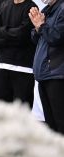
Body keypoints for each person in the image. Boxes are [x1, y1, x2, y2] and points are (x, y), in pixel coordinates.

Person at [0, 0, 37, 105]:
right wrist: (12, 35)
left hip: (23, 68)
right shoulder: (4, 6)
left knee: (21, 113)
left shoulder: (31, 7)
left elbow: (22, 35)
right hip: (1, 66)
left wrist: (2, 31)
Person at [30, 0, 64, 133]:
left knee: (60, 121)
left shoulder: (61, 9)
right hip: (44, 74)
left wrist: (41, 26)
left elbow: (56, 37)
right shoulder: (45, 11)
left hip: (57, 73)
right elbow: (34, 37)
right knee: (50, 123)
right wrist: (38, 27)